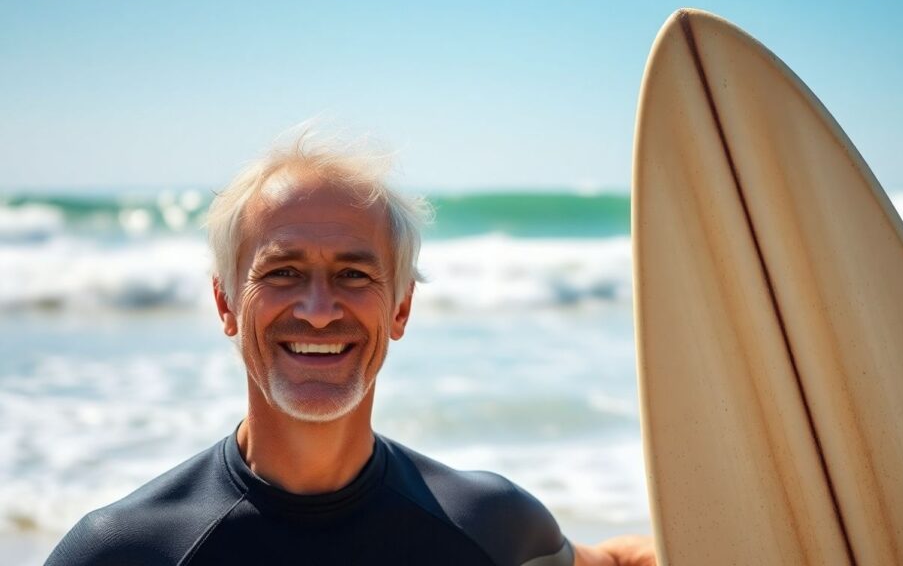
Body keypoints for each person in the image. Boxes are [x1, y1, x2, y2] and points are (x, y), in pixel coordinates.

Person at [45, 133, 656, 565]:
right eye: (282, 272)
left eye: (354, 275)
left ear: (401, 308)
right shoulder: (125, 551)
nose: (317, 309)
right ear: (227, 304)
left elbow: (615, 561)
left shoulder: (491, 527)